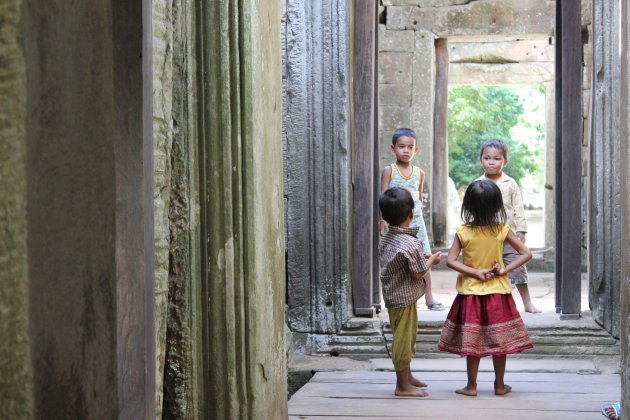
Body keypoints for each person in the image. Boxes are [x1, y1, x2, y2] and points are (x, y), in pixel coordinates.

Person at [438, 180, 533, 397]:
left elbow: (451, 261)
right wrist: (505, 269)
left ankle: (471, 386)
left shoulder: (463, 231)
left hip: (470, 294)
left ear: (468, 206)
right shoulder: (502, 229)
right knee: (500, 341)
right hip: (498, 293)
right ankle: (499, 385)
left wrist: (475, 272)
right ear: (498, 207)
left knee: (473, 342)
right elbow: (527, 254)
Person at [379, 187, 442, 397]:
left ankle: (407, 377)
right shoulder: (411, 242)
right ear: (411, 214)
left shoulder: (387, 238)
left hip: (392, 295)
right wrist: (431, 260)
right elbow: (418, 274)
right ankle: (402, 386)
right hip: (405, 299)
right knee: (404, 340)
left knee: (403, 335)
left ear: (384, 216)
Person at [380, 127, 445, 311]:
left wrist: (417, 215)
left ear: (416, 150)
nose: (406, 151)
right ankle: (403, 296)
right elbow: (383, 197)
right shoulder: (389, 171)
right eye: (401, 146)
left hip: (416, 222)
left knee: (424, 255)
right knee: (400, 259)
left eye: (410, 147)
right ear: (393, 148)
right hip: (396, 224)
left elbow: (420, 198)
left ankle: (429, 297)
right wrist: (383, 220)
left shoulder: (419, 173)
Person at [477, 139, 541, 313]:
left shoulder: (510, 183)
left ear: (505, 161)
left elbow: (518, 208)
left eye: (497, 158)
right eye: (487, 158)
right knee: (491, 268)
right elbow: (473, 208)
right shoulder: (478, 184)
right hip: (486, 235)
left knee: (518, 267)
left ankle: (527, 303)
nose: (491, 162)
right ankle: (494, 305)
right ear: (480, 159)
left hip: (509, 235)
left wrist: (521, 230)